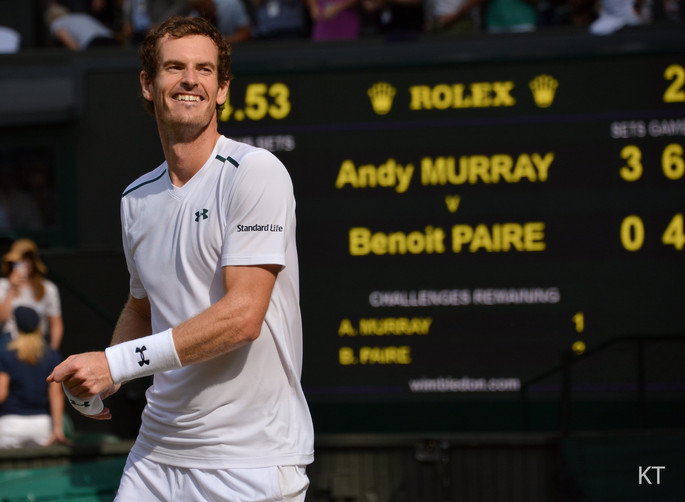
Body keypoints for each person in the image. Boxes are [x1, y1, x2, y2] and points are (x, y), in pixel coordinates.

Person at [47, 15, 314, 501]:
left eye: (205, 70)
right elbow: (142, 307)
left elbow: (243, 317)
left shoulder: (256, 173)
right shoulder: (135, 198)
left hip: (249, 461)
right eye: (175, 67)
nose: (190, 80)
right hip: (156, 454)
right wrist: (103, 382)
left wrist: (115, 363)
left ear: (222, 89)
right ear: (149, 85)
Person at [0, 306, 69, 448]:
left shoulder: (5, 354)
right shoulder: (52, 355)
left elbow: (1, 393)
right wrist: (57, 429)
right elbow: (55, 394)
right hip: (42, 425)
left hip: (10, 425)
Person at [0, 238, 64, 351]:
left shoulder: (48, 288)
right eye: (19, 260)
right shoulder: (3, 285)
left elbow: (56, 324)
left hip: (38, 342)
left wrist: (53, 353)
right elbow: (2, 318)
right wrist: (12, 288)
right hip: (9, 342)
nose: (24, 264)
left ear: (34, 262)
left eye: (27, 259)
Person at [45, 1, 119, 50]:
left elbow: (74, 46)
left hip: (95, 43)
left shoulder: (57, 23)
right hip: (113, 40)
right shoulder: (79, 16)